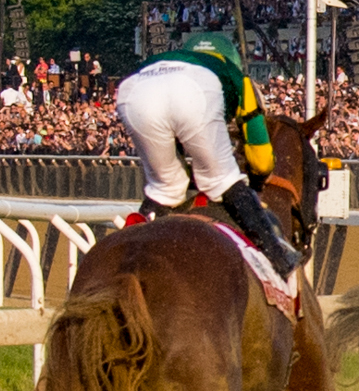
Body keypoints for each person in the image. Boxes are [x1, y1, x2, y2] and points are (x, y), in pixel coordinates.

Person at [112, 31, 301, 277]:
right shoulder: (233, 74)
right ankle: (278, 258)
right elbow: (262, 160)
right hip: (196, 91)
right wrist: (254, 183)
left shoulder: (170, 58)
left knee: (166, 188)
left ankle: (127, 262)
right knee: (222, 180)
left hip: (133, 90)